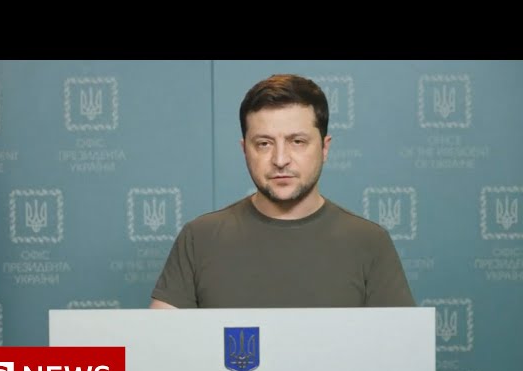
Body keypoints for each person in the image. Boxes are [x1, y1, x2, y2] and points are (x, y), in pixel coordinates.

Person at [149, 73, 415, 309]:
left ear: (325, 148)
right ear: (244, 150)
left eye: (297, 141)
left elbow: (398, 344)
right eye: (264, 144)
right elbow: (159, 342)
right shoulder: (199, 238)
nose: (280, 159)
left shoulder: (369, 242)